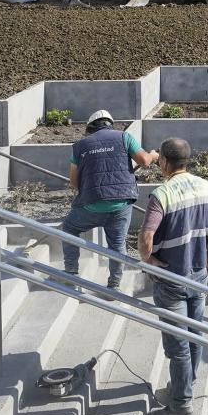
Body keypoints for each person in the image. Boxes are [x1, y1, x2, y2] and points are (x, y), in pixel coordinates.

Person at [140, 137, 208, 415]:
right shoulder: (205, 187)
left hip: (171, 277)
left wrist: (148, 261)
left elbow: (146, 237)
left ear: (163, 160)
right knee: (195, 335)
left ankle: (181, 406)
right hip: (199, 275)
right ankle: (182, 387)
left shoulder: (162, 194)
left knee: (178, 346)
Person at [61, 109, 158, 291]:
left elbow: (74, 183)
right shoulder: (124, 137)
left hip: (91, 204)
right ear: (110, 124)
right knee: (117, 244)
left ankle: (71, 273)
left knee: (69, 228)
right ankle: (114, 284)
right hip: (120, 203)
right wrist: (153, 155)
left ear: (90, 128)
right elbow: (144, 161)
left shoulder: (79, 146)